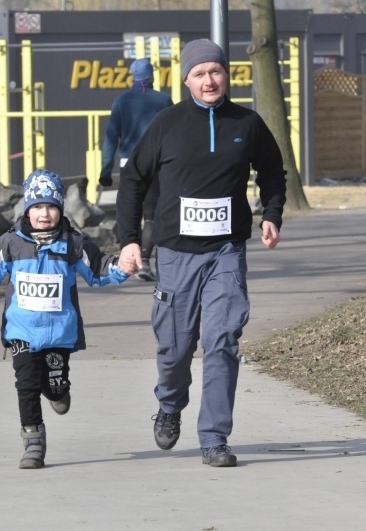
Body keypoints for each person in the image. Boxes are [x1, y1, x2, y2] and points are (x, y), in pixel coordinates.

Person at [115, 39, 287, 467]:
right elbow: (133, 181)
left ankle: (214, 438)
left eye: (216, 71)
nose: (209, 80)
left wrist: (272, 214)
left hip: (226, 251)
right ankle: (170, 405)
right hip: (175, 253)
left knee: (223, 339)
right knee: (175, 349)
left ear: (226, 75)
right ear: (186, 79)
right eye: (200, 74)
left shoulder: (246, 122)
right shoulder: (167, 123)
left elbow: (272, 170)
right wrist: (129, 239)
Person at [0, 169, 138, 469]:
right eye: (37, 207)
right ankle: (33, 443)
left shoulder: (73, 243)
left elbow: (98, 268)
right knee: (27, 384)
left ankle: (58, 389)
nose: (44, 214)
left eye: (50, 207)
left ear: (60, 209)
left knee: (55, 388)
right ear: (27, 209)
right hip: (22, 330)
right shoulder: (11, 244)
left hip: (59, 333)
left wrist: (121, 267)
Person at [99, 58, 173, 282]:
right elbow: (174, 134)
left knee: (131, 212)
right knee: (151, 216)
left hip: (128, 165)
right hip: (157, 165)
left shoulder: (121, 102)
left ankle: (130, 259)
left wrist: (105, 169)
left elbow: (111, 138)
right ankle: (145, 262)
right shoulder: (164, 100)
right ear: (152, 76)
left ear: (133, 77)